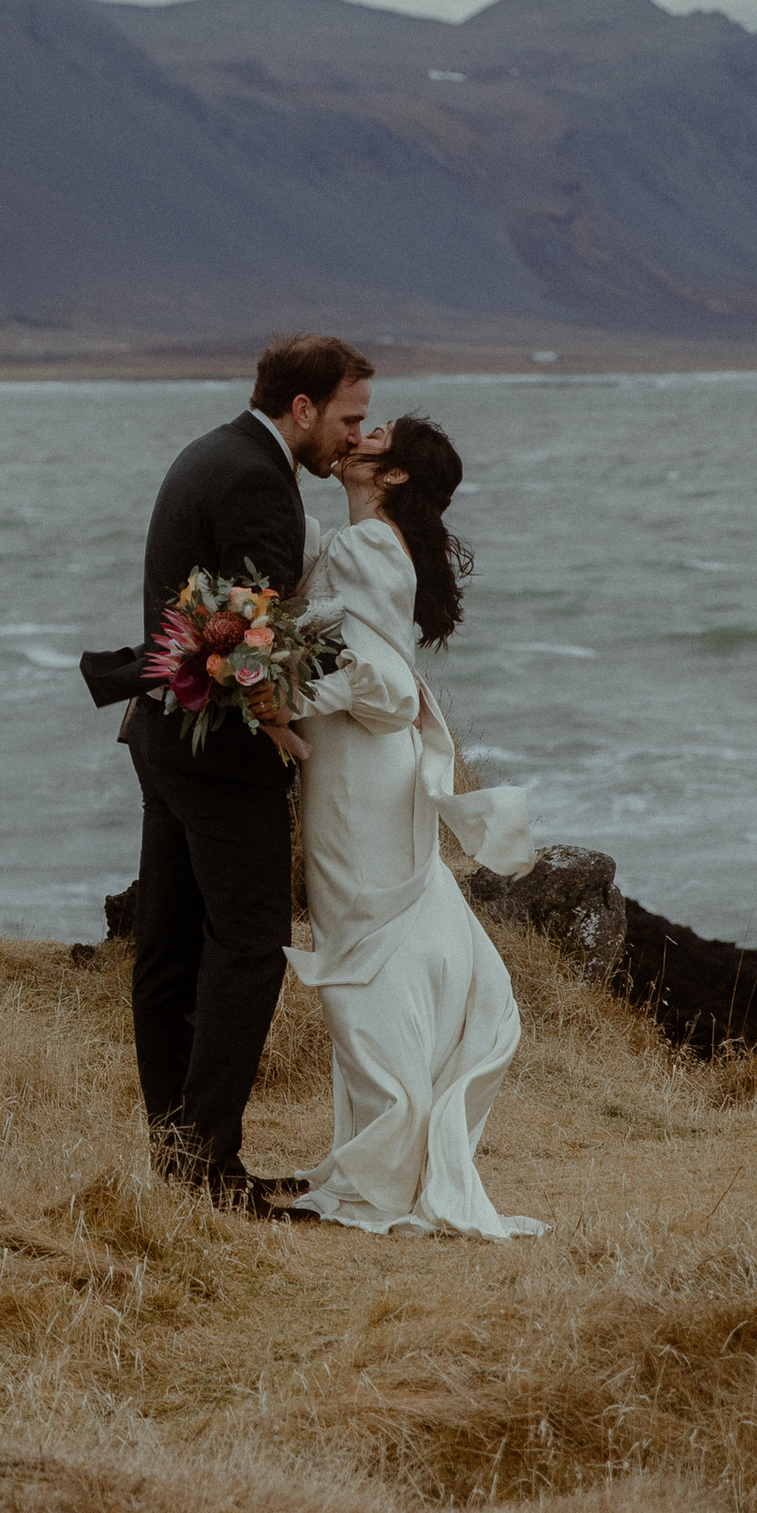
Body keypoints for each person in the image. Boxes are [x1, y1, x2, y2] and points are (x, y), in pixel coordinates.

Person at [83, 335, 375, 1209]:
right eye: (348, 419)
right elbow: (257, 638)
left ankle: (178, 1161)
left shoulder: (212, 451)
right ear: (301, 408)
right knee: (248, 947)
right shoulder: (255, 479)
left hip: (163, 740)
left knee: (169, 952)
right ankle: (209, 1167)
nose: (353, 438)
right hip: (218, 757)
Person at [282, 416, 543, 1237]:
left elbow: (384, 685)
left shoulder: (369, 546)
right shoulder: (368, 543)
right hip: (365, 767)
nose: (359, 435)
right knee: (374, 942)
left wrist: (279, 695)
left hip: (358, 773)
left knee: (362, 949)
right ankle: (386, 1145)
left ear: (393, 475)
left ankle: (387, 1158)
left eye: (378, 434)